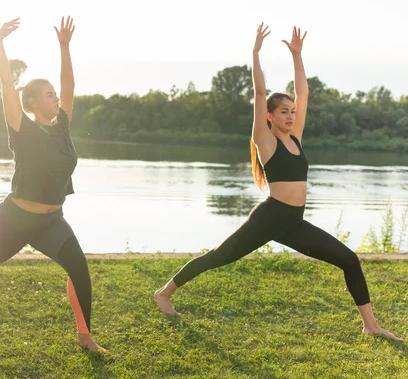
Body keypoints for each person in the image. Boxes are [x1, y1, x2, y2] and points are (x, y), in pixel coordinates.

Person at [154, 23, 403, 342]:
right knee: (218, 256)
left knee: (348, 259)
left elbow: (304, 92)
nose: (290, 116)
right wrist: (256, 54)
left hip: (293, 223)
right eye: (283, 112)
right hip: (268, 219)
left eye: (292, 112)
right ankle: (164, 293)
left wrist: (297, 56)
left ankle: (370, 325)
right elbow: (259, 93)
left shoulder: (295, 138)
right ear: (269, 116)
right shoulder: (266, 142)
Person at [0, 16, 107, 352]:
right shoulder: (22, 129)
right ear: (31, 103)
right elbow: (5, 86)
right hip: (13, 219)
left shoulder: (62, 127)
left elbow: (69, 86)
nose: (56, 98)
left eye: (54, 94)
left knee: (78, 266)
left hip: (51, 221)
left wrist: (64, 47)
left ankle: (85, 336)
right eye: (48, 95)